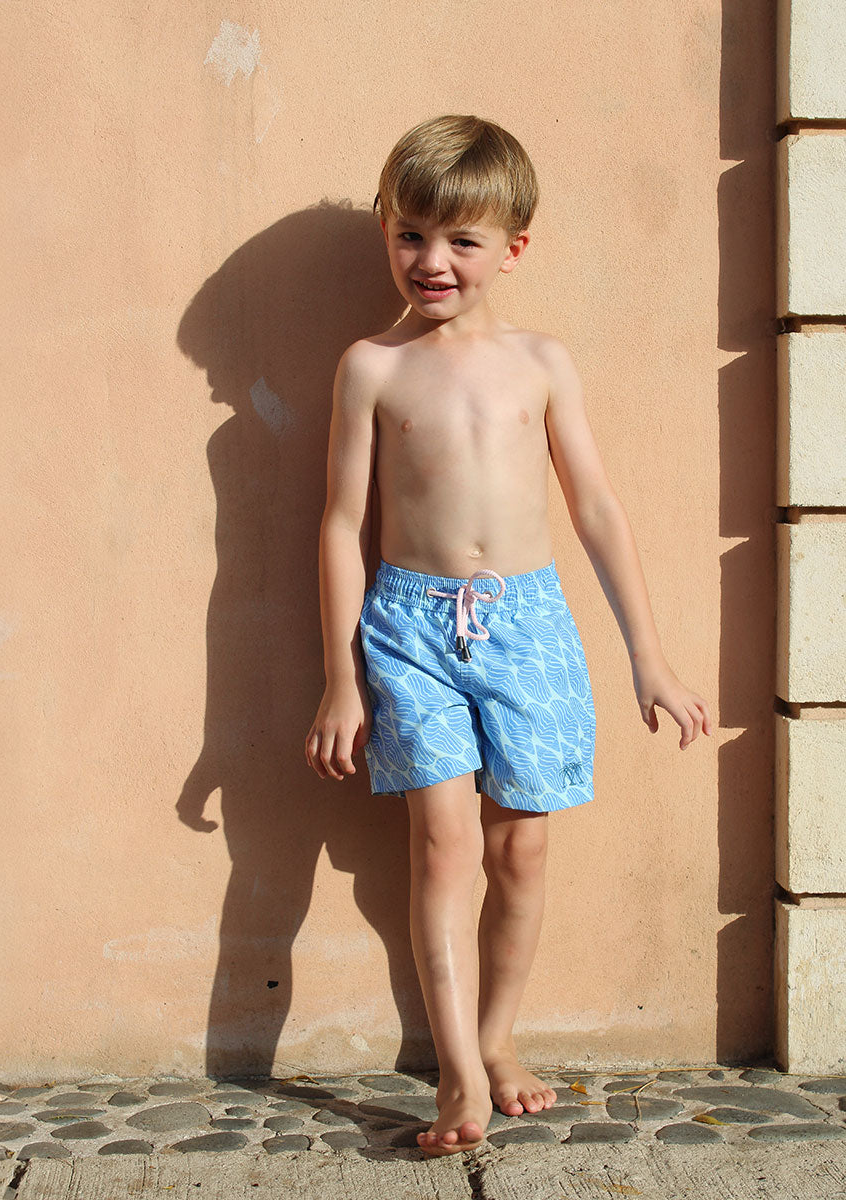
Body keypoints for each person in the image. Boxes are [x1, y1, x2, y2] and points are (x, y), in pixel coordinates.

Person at [304, 114, 712, 1157]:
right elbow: (344, 524)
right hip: (410, 625)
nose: (431, 261)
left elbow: (599, 510)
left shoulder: (542, 364)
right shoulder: (372, 367)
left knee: (519, 849)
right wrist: (341, 680)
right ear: (388, 233)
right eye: (409, 235)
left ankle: (496, 1042)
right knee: (441, 844)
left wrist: (649, 656)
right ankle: (453, 1080)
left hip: (529, 625)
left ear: (512, 248)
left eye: (460, 241)